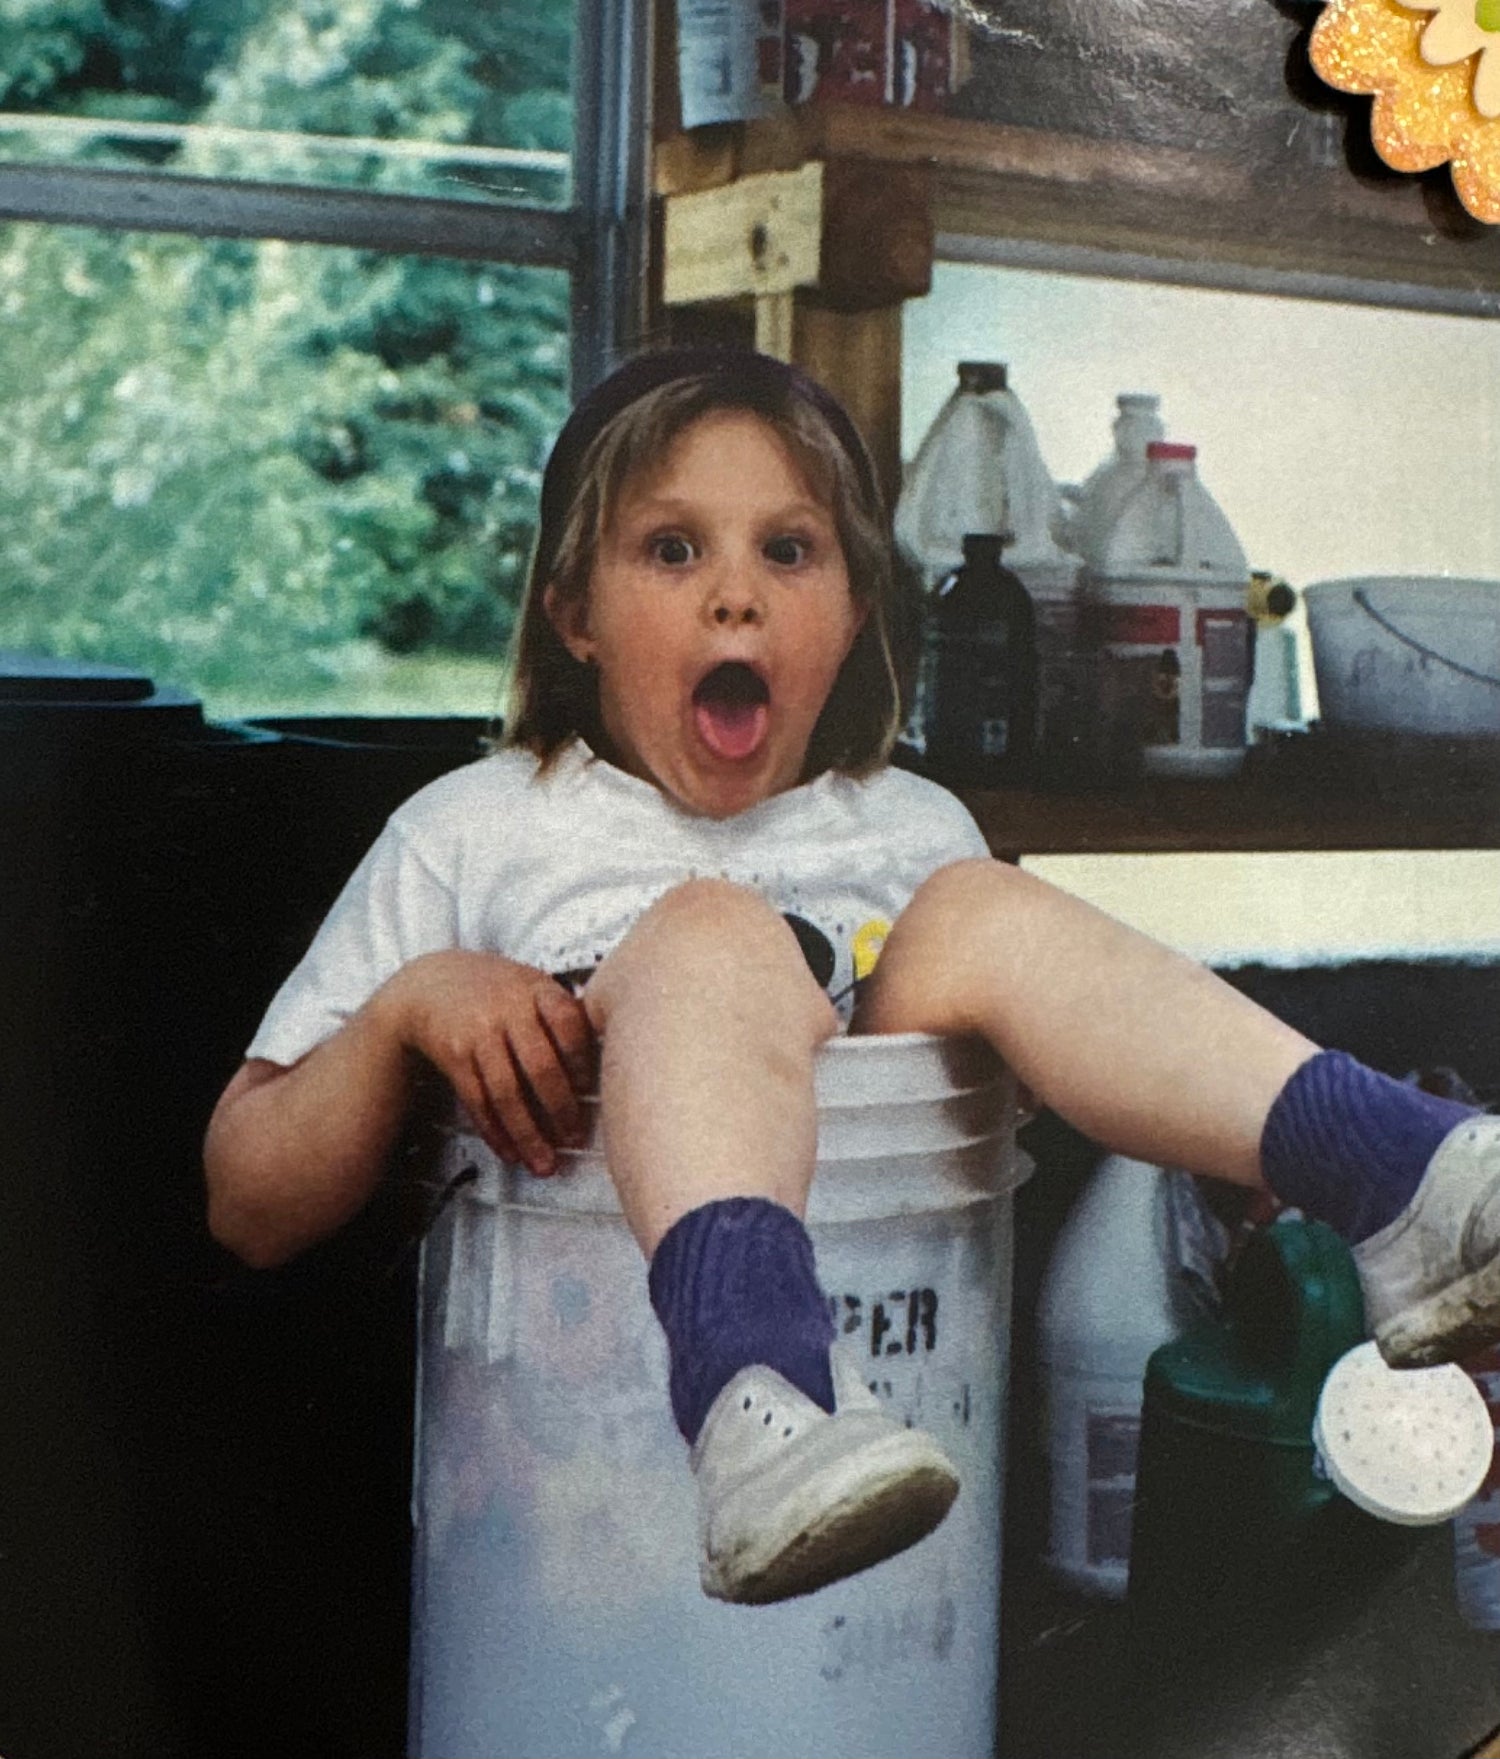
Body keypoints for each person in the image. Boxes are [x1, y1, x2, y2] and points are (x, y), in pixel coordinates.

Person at [204, 346, 1500, 1607]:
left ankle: (1397, 1180)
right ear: (571, 613)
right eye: (671, 550)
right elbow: (247, 1200)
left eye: (789, 549)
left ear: (856, 606)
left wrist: (1023, 1064)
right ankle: (758, 1387)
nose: (735, 596)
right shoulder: (475, 834)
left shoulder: (912, 834)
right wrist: (410, 1008)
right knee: (709, 934)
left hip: (887, 1540)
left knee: (986, 910)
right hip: (580, 1546)